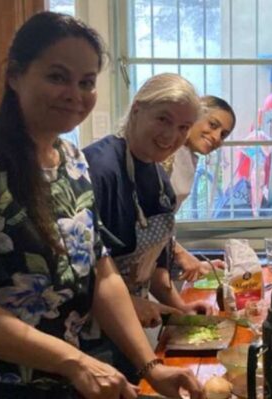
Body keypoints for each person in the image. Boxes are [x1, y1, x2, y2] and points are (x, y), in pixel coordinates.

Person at [0, 12, 202, 399]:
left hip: (56, 378)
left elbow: (102, 274)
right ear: (15, 75)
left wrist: (151, 367)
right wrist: (77, 362)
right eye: (57, 77)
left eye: (86, 82)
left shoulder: (72, 162)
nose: (75, 94)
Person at [83, 73, 215, 379]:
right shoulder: (98, 170)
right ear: (137, 109)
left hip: (128, 331)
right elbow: (75, 271)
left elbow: (156, 266)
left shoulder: (158, 178)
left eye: (183, 127)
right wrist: (129, 302)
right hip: (89, 336)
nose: (172, 135)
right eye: (164, 119)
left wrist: (181, 311)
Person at [164, 95, 235, 281]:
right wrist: (179, 254)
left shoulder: (188, 156)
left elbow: (163, 224)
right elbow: (147, 223)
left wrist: (197, 264)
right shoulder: (163, 153)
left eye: (223, 134)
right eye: (213, 125)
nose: (216, 137)